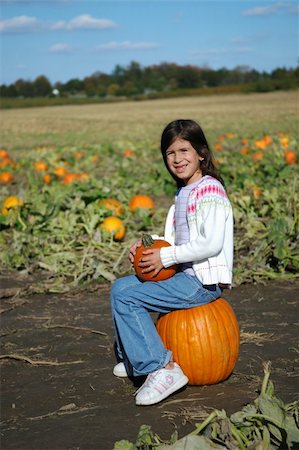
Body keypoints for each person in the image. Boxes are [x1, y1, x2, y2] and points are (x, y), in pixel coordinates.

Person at [110, 119, 234, 406]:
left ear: (201, 153)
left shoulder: (210, 191)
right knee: (120, 288)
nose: (177, 159)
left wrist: (165, 256)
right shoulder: (184, 192)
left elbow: (210, 243)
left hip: (202, 283)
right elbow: (175, 239)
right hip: (183, 276)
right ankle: (135, 355)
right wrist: (146, 246)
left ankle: (162, 368)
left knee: (129, 298)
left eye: (184, 150)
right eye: (170, 153)